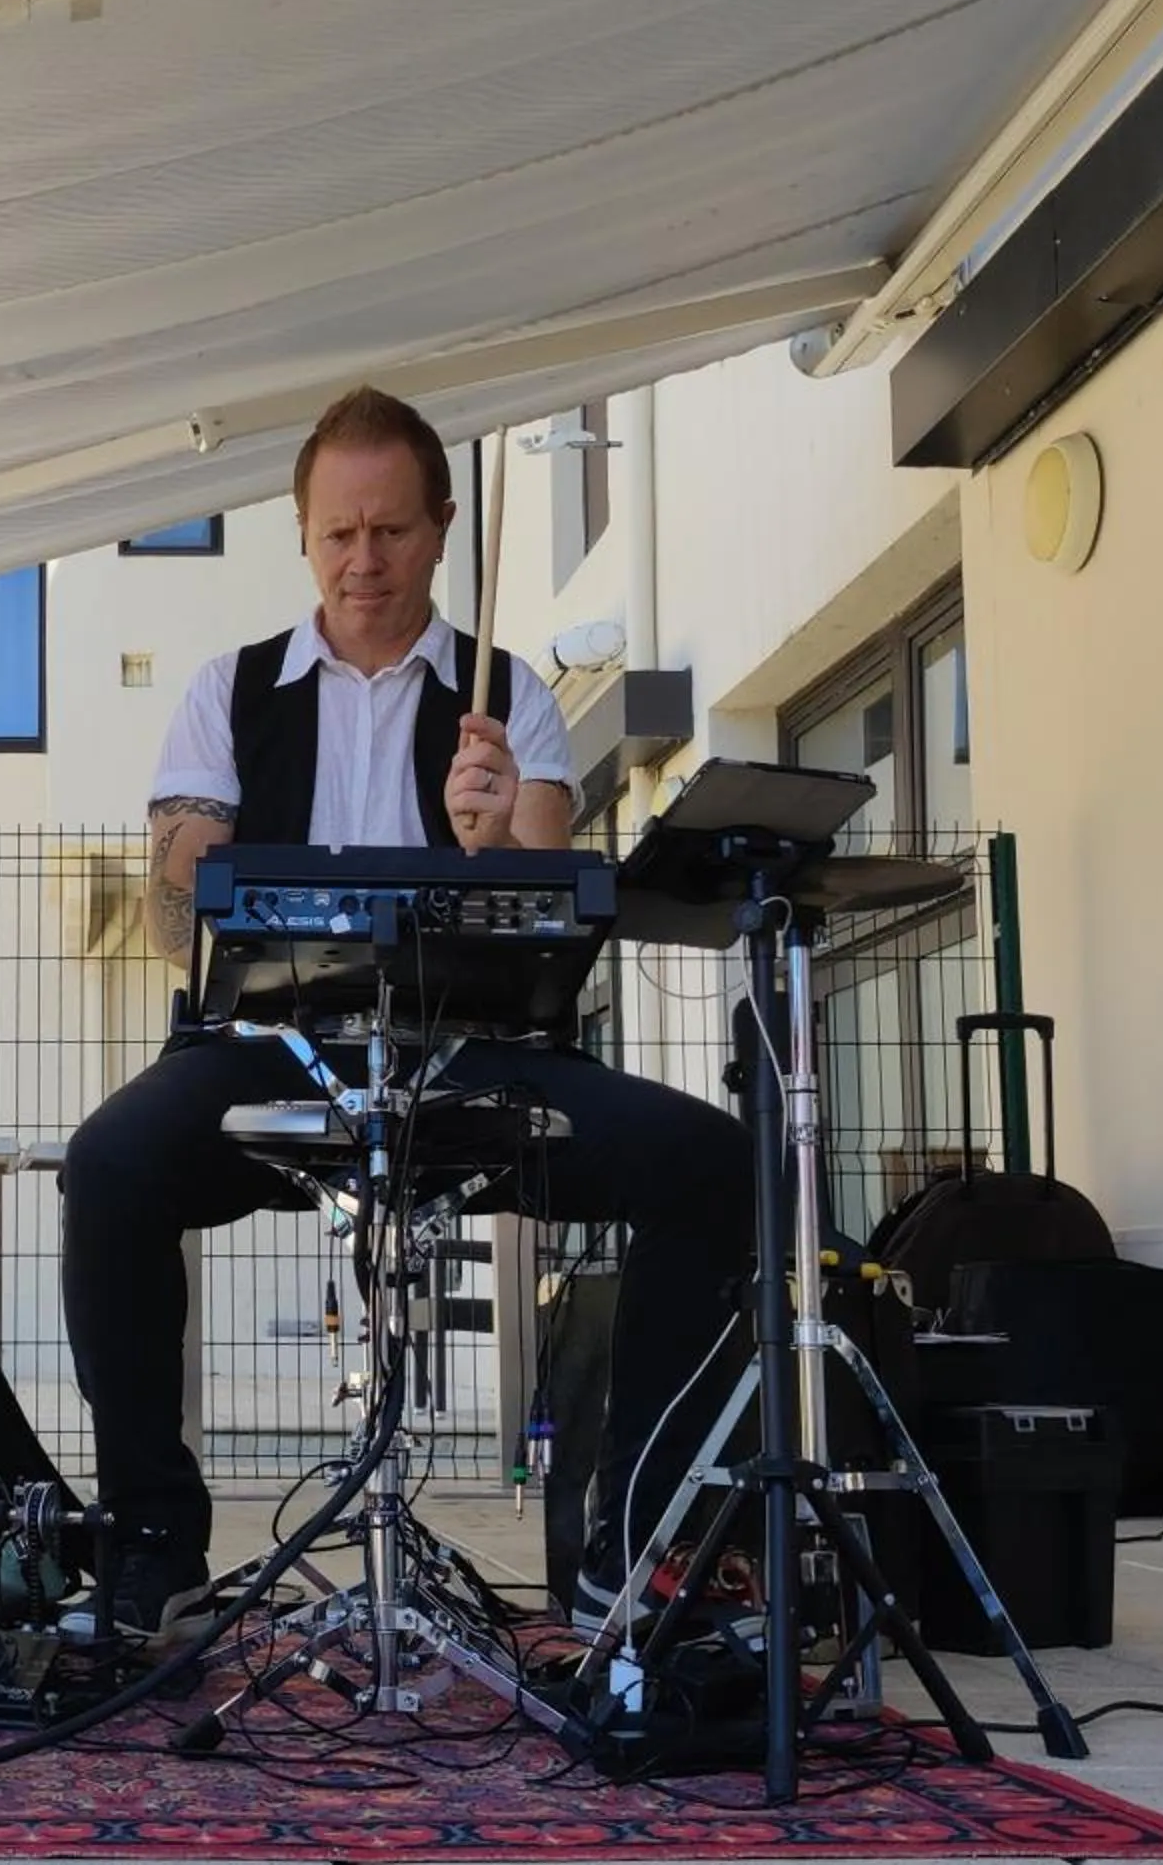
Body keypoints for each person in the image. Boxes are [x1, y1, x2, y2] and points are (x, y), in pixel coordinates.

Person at [62, 384, 756, 1644]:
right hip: (270, 1052)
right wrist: (187, 862)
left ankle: (634, 1543)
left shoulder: (512, 697)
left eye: (389, 530)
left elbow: (552, 902)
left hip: (472, 1061)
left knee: (710, 1163)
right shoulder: (230, 690)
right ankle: (151, 1546)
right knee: (109, 1164)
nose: (362, 560)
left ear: (440, 529)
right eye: (337, 533)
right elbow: (180, 921)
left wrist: (498, 837)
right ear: (303, 533)